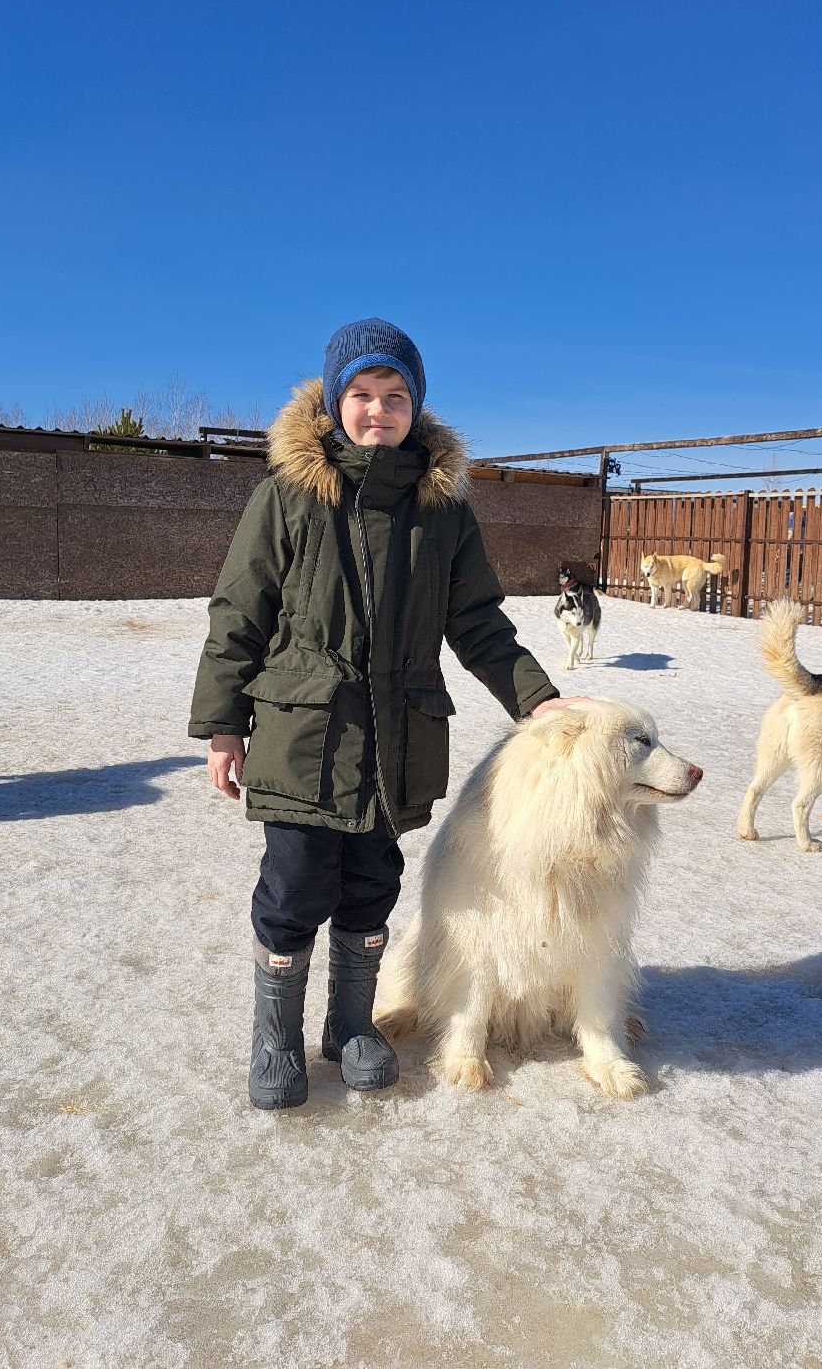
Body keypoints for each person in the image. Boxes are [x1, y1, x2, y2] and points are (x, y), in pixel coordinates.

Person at [189, 319, 580, 1109]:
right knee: (295, 885)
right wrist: (223, 724)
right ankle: (276, 1039)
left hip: (397, 737)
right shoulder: (289, 498)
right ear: (334, 405)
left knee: (372, 884)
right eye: (361, 395)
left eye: (394, 395)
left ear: (416, 407)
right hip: (303, 735)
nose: (377, 410)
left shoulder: (442, 513)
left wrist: (538, 697)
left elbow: (478, 622)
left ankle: (350, 1025)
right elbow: (239, 614)